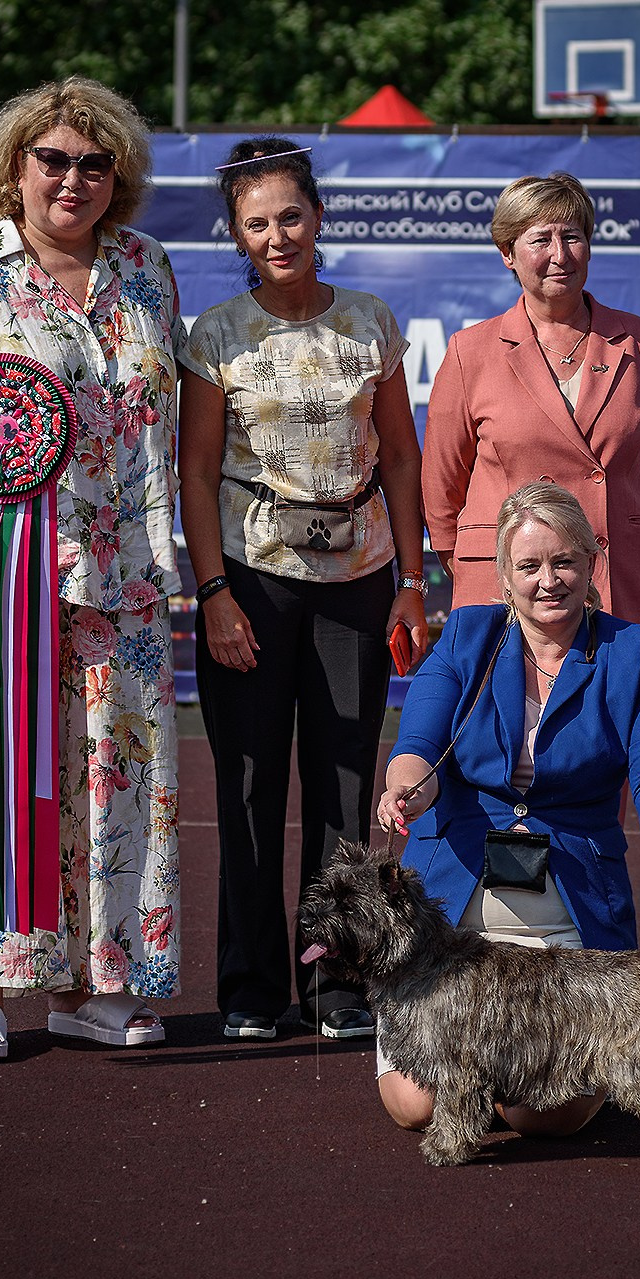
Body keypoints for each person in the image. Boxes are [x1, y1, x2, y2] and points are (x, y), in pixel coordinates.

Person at [0, 76, 188, 1059]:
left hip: (129, 573)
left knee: (119, 779)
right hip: (2, 577)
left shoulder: (147, 269)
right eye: (51, 158)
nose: (72, 178)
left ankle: (97, 985)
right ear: (14, 167)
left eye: (94, 163)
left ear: (119, 177)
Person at [375, 482, 640, 1137]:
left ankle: (501, 1074)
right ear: (503, 575)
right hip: (451, 940)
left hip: (562, 942)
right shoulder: (466, 637)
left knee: (543, 1118)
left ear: (592, 562)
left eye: (564, 562)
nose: (549, 581)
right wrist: (406, 788)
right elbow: (418, 748)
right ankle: (477, 1072)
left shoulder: (627, 657)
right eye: (529, 566)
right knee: (415, 1106)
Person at [179, 137, 428, 1042]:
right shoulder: (214, 335)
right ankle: (249, 991)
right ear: (238, 237)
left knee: (344, 788)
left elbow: (400, 455)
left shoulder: (369, 320)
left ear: (318, 217)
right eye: (256, 223)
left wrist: (412, 581)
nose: (276, 235)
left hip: (359, 583)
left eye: (290, 215)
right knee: (247, 788)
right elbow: (197, 473)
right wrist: (213, 591)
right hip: (250, 582)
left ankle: (338, 986)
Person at [421, 171, 640, 647]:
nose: (560, 255)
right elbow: (442, 481)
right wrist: (471, 556)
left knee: (613, 708)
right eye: (541, 239)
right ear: (508, 254)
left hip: (612, 570)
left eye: (573, 237)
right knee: (501, 713)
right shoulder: (470, 350)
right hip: (505, 583)